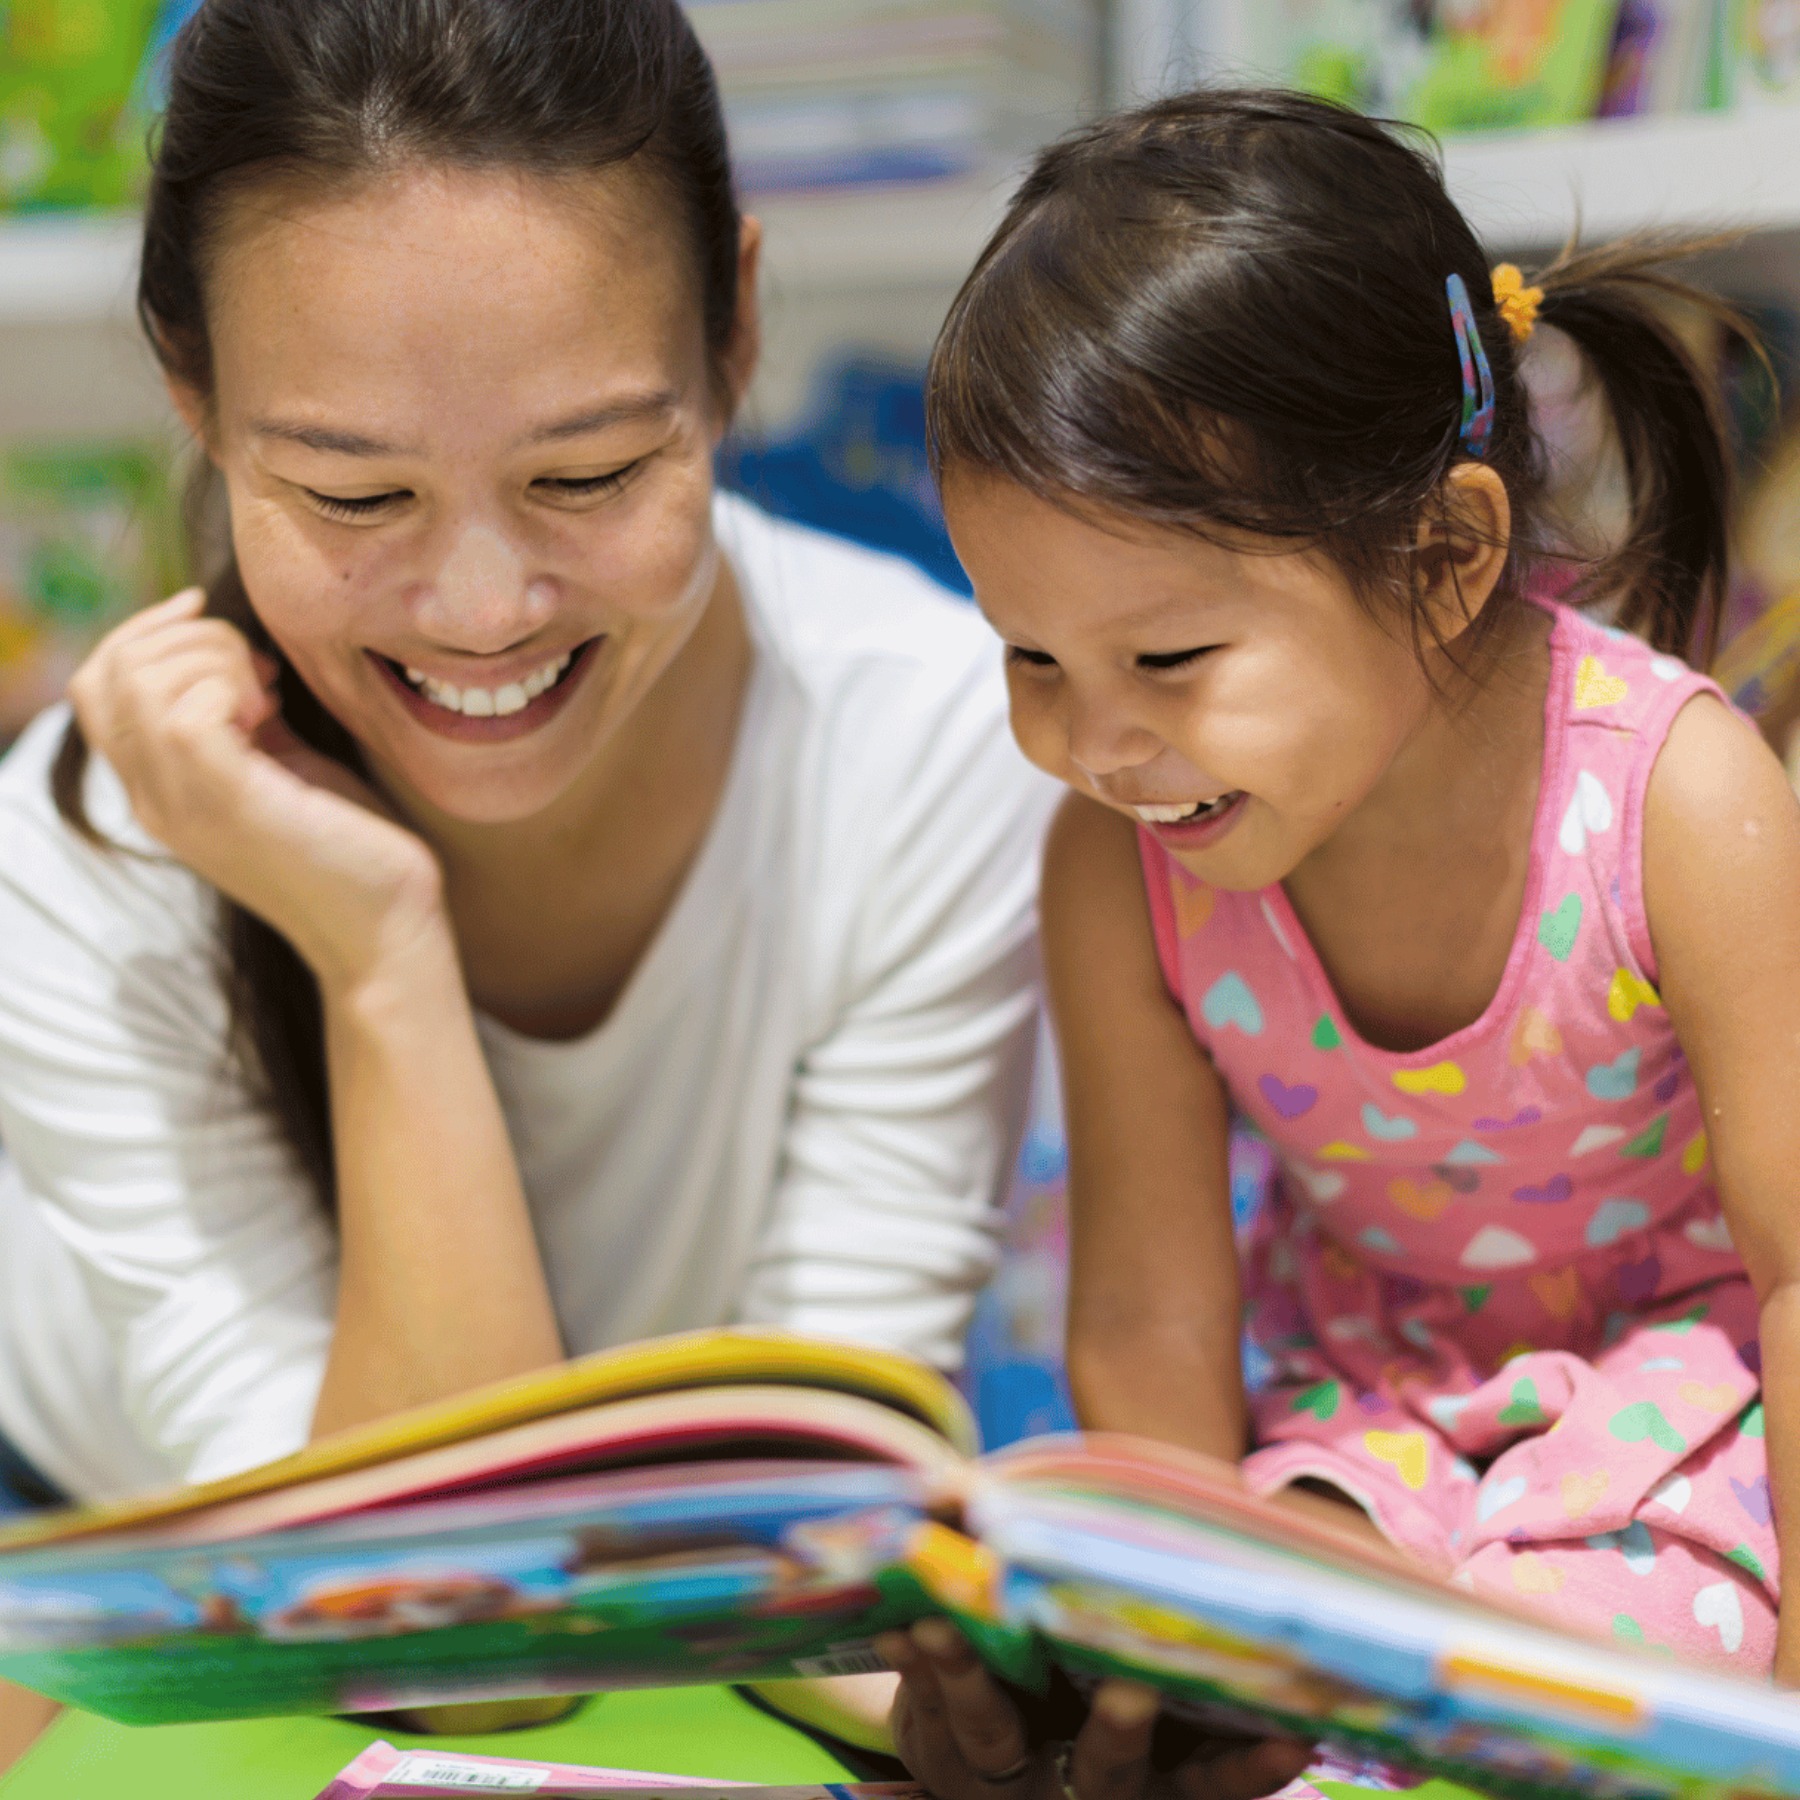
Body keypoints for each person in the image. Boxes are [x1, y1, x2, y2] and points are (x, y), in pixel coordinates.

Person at [0, 0, 1053, 1553]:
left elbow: (816, 1509)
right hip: (111, 1536)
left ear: (735, 327)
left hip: (669, 1570)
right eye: (355, 494)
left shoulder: (932, 744)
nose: (483, 611)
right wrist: (378, 957)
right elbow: (418, 1613)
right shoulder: (90, 844)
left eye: (590, 475)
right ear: (194, 392)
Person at [883, 86, 1800, 1800]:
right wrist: (1162, 1638)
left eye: (1167, 663)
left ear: (1446, 555)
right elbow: (1154, 1324)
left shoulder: (1682, 801)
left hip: (1687, 1424)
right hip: (1367, 1436)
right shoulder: (1123, 868)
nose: (1096, 743)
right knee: (1201, 1679)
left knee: (1560, 1680)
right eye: (1030, 659)